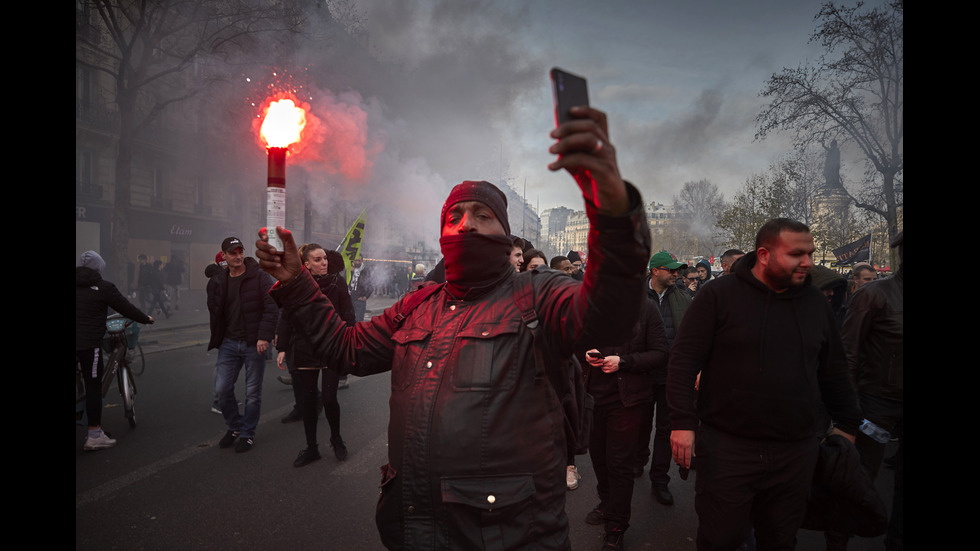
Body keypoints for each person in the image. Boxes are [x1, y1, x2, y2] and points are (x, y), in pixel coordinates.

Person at [255, 105, 651, 550]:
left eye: (482, 215)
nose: (466, 224)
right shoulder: (419, 304)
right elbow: (347, 349)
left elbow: (611, 311)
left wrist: (613, 208)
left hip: (512, 535)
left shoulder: (537, 294)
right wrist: (295, 281)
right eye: (455, 215)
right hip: (415, 528)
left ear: (505, 234)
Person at [667, 218, 861, 551]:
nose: (808, 263)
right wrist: (682, 423)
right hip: (728, 448)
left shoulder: (815, 302)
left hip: (795, 449)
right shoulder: (718, 295)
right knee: (721, 538)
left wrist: (847, 424)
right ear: (764, 255)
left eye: (810, 253)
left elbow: (834, 369)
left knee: (780, 539)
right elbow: (684, 361)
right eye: (797, 254)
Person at [829, 232, 903, 551]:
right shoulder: (874, 294)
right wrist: (848, 412)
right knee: (858, 482)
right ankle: (837, 543)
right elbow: (847, 353)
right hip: (875, 404)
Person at [582, 296, 668, 548]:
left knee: (619, 464)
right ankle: (607, 503)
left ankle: (617, 525)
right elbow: (571, 343)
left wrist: (624, 362)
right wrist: (584, 352)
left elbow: (661, 353)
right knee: (598, 457)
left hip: (627, 400)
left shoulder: (645, 307)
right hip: (592, 397)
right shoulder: (588, 304)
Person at [278, 246, 356, 466]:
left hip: (331, 346)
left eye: (324, 259)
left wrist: (351, 342)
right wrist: (282, 347)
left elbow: (348, 313)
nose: (324, 263)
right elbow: (286, 317)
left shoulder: (337, 283)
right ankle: (312, 448)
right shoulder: (295, 286)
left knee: (330, 399)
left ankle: (336, 439)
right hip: (305, 348)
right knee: (308, 402)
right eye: (317, 260)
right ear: (306, 264)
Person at [207, 236, 279, 453]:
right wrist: (218, 336)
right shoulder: (219, 281)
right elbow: (215, 310)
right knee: (222, 390)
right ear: (224, 256)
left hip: (252, 343)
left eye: (240, 252)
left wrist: (264, 336)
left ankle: (247, 434)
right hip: (228, 343)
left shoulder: (259, 277)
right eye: (232, 253)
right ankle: (235, 426)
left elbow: (272, 306)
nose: (237, 256)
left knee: (252, 393)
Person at [76, 251, 153, 451]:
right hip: (88, 345)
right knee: (94, 387)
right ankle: (94, 435)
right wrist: (146, 318)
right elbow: (125, 308)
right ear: (100, 268)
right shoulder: (104, 287)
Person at [634, 251, 691, 506]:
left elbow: (690, 336)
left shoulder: (683, 298)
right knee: (640, 425)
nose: (675, 273)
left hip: (671, 375)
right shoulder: (633, 298)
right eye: (670, 270)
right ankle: (638, 460)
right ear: (655, 271)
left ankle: (660, 479)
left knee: (666, 429)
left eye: (676, 270)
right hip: (642, 373)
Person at [349, 257, 372, 322]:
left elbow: (371, 285)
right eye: (356, 260)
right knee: (349, 320)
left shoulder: (365, 271)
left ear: (362, 261)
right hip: (350, 299)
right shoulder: (350, 270)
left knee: (358, 321)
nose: (357, 262)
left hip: (360, 300)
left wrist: (366, 296)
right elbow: (346, 282)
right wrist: (351, 272)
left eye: (359, 260)